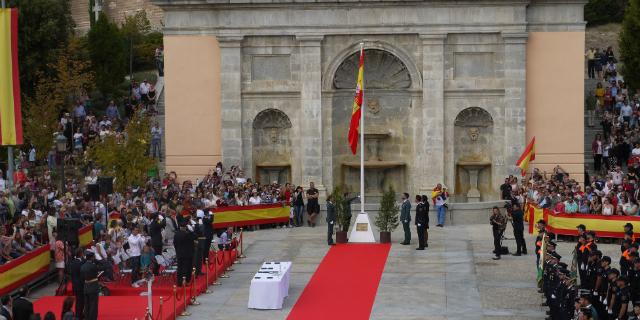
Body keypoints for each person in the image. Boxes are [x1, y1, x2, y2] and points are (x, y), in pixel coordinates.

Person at [173, 221, 196, 286]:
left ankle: (179, 282)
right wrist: (191, 231)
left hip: (179, 253)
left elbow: (175, 244)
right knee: (186, 268)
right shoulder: (187, 234)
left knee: (180, 268)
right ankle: (185, 281)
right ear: (185, 227)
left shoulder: (176, 234)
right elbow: (195, 236)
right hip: (187, 254)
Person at [80, 251, 99, 320]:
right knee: (93, 305)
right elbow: (98, 270)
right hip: (93, 286)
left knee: (87, 304)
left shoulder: (82, 266)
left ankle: (87, 318)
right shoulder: (93, 266)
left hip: (86, 286)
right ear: (91, 258)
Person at [68, 248, 84, 318]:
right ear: (81, 254)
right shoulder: (80, 263)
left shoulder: (73, 262)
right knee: (80, 301)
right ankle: (79, 315)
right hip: (80, 284)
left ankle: (79, 314)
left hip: (75, 284)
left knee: (78, 300)